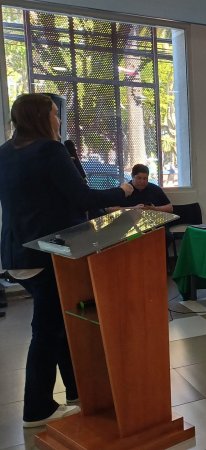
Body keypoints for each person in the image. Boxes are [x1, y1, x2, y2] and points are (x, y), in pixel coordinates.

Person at [0, 93, 134, 427]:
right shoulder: (49, 150)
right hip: (49, 253)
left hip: (17, 253)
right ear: (41, 118)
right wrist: (123, 192)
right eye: (55, 114)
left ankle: (76, 391)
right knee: (47, 331)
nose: (58, 120)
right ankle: (37, 409)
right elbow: (82, 197)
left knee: (59, 323)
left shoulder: (4, 152)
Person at [107, 163, 173, 213]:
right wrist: (133, 208)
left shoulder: (155, 189)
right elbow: (109, 209)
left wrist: (154, 209)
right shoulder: (123, 189)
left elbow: (170, 208)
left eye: (145, 178)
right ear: (132, 176)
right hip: (129, 222)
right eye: (139, 178)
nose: (142, 181)